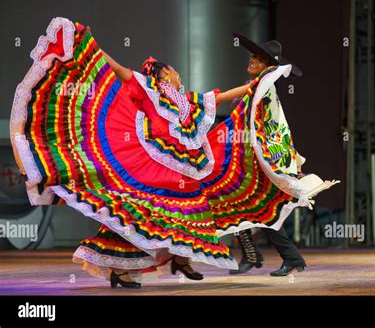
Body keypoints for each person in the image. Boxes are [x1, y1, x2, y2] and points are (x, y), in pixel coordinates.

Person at [11, 17, 338, 288]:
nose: (179, 76)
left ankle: (142, 268)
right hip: (154, 165)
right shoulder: (151, 90)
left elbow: (223, 98)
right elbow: (123, 72)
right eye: (174, 73)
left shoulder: (185, 101)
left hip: (181, 169)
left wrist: (267, 80)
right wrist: (96, 52)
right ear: (165, 74)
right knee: (146, 211)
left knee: (160, 214)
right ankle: (135, 268)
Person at [228, 33, 333, 276]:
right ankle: (262, 254)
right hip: (259, 155)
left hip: (267, 158)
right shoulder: (258, 85)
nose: (253, 60)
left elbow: (269, 127)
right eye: (253, 55)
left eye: (259, 58)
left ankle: (285, 257)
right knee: (245, 205)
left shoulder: (263, 87)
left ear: (268, 67)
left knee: (259, 209)